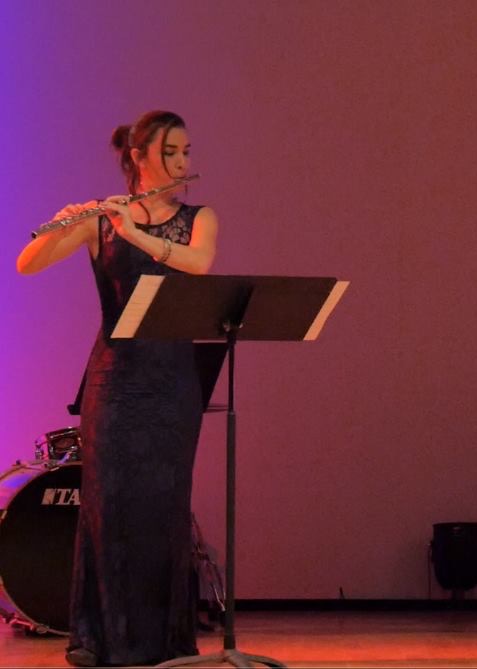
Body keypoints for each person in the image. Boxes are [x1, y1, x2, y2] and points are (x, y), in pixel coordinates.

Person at [16, 110, 219, 667]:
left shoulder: (199, 218)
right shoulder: (103, 220)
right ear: (137, 156)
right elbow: (26, 265)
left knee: (165, 508)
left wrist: (136, 234)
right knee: (108, 507)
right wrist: (61, 224)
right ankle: (99, 639)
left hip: (172, 382)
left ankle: (164, 642)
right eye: (169, 152)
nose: (181, 162)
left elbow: (199, 264)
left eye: (186, 151)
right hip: (115, 381)